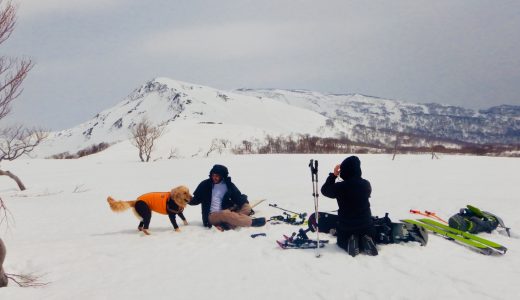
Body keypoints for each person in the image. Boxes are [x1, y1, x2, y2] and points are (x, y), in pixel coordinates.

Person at [321, 156, 378, 256]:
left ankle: (350, 241)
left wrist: (334, 175)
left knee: (341, 240)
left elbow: (325, 190)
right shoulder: (366, 184)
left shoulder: (340, 187)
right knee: (369, 232)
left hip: (347, 227)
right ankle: (366, 239)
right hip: (366, 225)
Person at [189, 164, 265, 230]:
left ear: (223, 176)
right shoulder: (205, 184)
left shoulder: (228, 185)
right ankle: (251, 222)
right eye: (213, 175)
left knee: (246, 207)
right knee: (225, 214)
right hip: (211, 216)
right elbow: (196, 199)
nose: (214, 178)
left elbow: (237, 196)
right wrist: (186, 200)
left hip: (226, 210)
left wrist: (244, 203)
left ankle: (226, 226)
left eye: (217, 176)